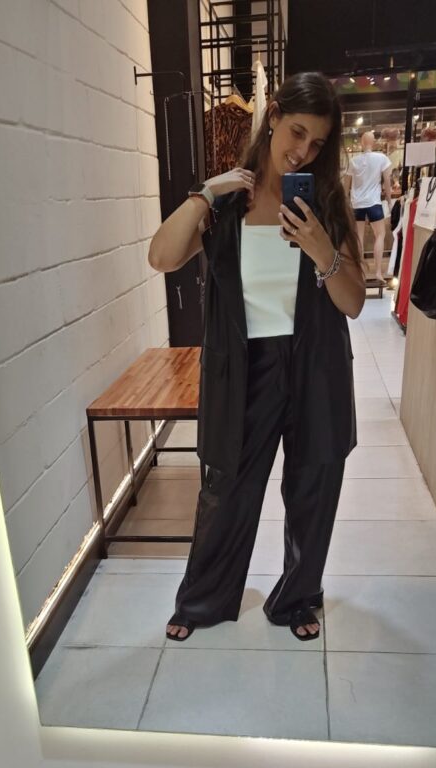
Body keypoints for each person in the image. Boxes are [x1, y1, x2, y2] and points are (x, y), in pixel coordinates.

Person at [148, 72, 365, 643]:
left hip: (315, 365)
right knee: (226, 487)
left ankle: (298, 597)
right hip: (246, 368)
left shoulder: (326, 202)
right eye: (297, 133)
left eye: (318, 143)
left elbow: (353, 302)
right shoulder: (227, 202)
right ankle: (202, 599)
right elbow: (161, 257)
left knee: (313, 486)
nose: (304, 151)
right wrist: (204, 192)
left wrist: (322, 250)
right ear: (273, 117)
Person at [344, 131, 392, 283]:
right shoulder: (381, 158)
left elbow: (346, 186)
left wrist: (346, 203)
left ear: (362, 143)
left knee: (359, 237)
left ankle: (361, 272)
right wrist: (389, 200)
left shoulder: (353, 161)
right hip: (373, 202)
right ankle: (378, 272)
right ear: (374, 142)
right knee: (380, 234)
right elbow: (387, 181)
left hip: (357, 203)